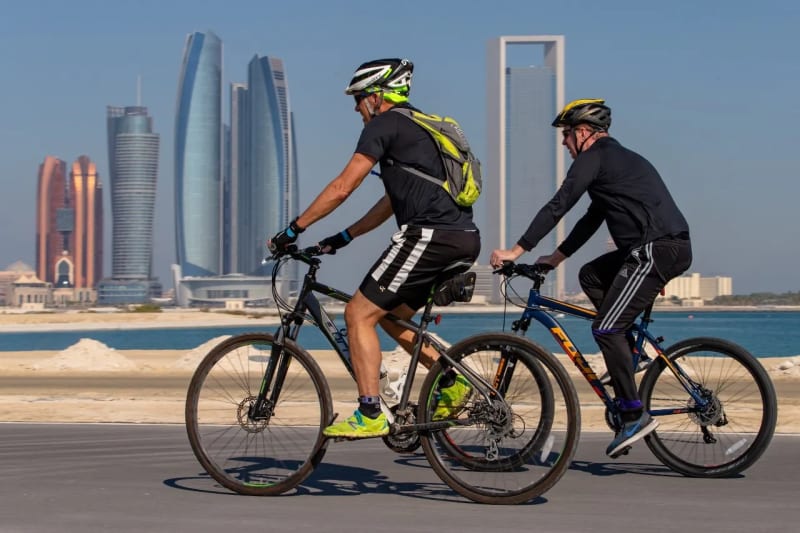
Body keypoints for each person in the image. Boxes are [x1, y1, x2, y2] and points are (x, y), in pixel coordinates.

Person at [268, 58, 481, 439]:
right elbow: (389, 203)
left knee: (357, 314)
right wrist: (344, 236)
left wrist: (293, 229)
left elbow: (342, 187)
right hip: (462, 236)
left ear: (378, 96)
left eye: (359, 98)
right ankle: (452, 380)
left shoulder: (385, 124)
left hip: (429, 236)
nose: (356, 108)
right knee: (389, 316)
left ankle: (370, 413)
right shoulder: (417, 127)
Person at [489, 98, 692, 458]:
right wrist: (554, 259)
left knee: (606, 328)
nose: (564, 143)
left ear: (583, 132)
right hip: (654, 249)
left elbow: (559, 204)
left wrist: (516, 251)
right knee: (591, 276)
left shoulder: (594, 157)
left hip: (655, 250)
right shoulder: (612, 163)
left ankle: (633, 414)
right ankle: (630, 353)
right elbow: (590, 219)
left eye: (566, 135)